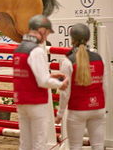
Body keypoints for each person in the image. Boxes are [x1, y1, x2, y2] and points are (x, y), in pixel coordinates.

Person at [13, 14, 68, 150]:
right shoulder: (36, 50)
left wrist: (51, 75)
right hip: (36, 101)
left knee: (25, 142)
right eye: (47, 33)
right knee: (39, 142)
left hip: (21, 100)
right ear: (42, 30)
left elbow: (27, 74)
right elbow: (43, 81)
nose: (47, 36)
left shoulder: (19, 49)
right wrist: (60, 84)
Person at [56, 23, 107, 150]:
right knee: (98, 146)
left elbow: (65, 92)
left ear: (72, 39)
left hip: (77, 110)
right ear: (88, 38)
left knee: (75, 147)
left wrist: (60, 113)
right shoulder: (99, 58)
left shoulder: (68, 61)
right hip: (98, 108)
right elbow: (104, 85)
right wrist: (103, 106)